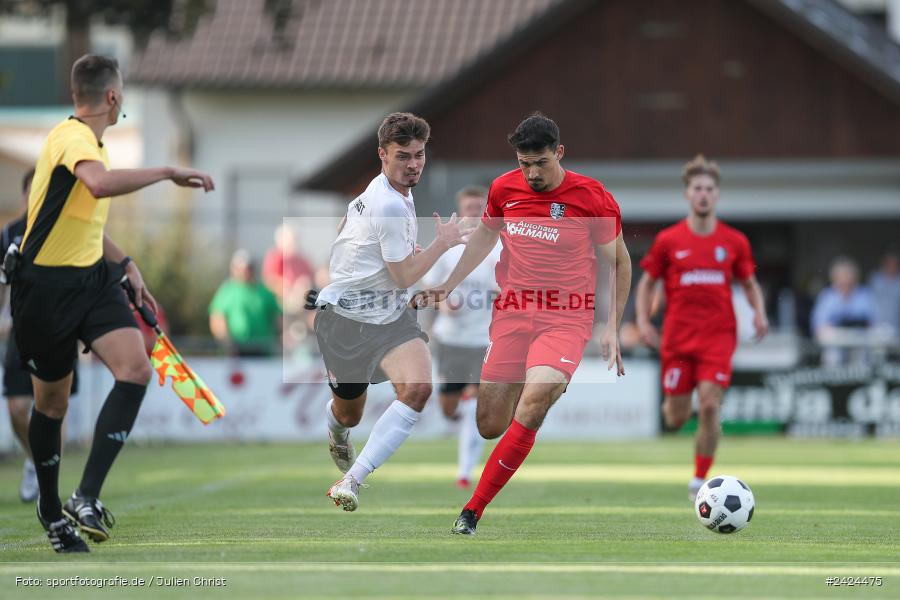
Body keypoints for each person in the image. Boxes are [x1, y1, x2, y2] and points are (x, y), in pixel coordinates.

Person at [9, 54, 214, 553]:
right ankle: (51, 509)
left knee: (136, 369)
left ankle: (86, 496)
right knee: (51, 404)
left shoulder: (88, 142)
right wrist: (167, 171)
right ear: (113, 97)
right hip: (42, 293)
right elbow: (99, 185)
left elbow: (83, 224)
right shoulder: (72, 137)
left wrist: (126, 265)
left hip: (92, 283)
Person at [418, 112, 631, 535]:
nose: (532, 173)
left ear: (560, 153)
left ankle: (472, 510)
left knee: (534, 403)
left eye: (540, 163)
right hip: (512, 314)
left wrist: (612, 328)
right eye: (524, 163)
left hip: (566, 317)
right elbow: (483, 237)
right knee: (489, 424)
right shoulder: (503, 189)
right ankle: (534, 396)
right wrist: (447, 285)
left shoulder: (592, 198)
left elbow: (619, 262)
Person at [313, 112, 472, 511]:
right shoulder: (387, 203)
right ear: (382, 154)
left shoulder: (389, 190)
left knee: (418, 389)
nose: (414, 164)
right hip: (345, 323)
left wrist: (387, 261)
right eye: (404, 156)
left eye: (419, 155)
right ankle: (335, 430)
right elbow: (403, 278)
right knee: (349, 416)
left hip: (388, 318)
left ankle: (352, 480)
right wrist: (443, 243)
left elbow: (354, 239)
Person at [635, 154, 768, 502]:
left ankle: (699, 477)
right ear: (688, 194)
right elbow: (647, 282)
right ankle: (674, 410)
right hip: (677, 340)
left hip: (718, 337)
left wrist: (759, 313)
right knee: (676, 418)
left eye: (710, 188)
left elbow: (750, 283)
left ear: (717, 194)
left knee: (710, 405)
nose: (704, 194)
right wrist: (643, 320)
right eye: (698, 188)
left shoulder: (734, 241)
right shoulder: (669, 240)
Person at [1, 169, 78, 503]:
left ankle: (49, 477)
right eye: (34, 190)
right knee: (18, 408)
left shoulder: (68, 229)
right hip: (21, 330)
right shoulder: (10, 233)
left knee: (53, 409)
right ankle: (35, 462)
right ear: (25, 195)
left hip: (60, 329)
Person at [423, 185, 500, 488]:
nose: (473, 213)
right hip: (451, 338)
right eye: (468, 208)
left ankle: (465, 472)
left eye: (478, 208)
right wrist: (444, 303)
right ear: (460, 209)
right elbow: (431, 290)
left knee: (475, 403)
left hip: (484, 337)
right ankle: (457, 416)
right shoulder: (447, 247)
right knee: (449, 407)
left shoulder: (498, 246)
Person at [209, 249, 282, 357]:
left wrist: (279, 340)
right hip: (236, 351)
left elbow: (278, 319)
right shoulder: (227, 291)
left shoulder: (264, 292)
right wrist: (227, 343)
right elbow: (217, 319)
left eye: (248, 268)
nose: (245, 272)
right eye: (240, 268)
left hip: (262, 351)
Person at [811, 256, 877, 365]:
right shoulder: (827, 297)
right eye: (842, 277)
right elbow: (818, 326)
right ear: (835, 278)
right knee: (832, 355)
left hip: (859, 344)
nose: (845, 280)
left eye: (848, 276)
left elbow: (873, 323)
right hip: (835, 346)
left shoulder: (865, 295)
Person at [262, 223, 314, 308]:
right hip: (280, 302)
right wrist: (284, 287)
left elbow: (309, 276)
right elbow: (269, 281)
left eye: (295, 241)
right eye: (290, 243)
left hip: (299, 301)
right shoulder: (274, 257)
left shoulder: (300, 258)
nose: (293, 246)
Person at [868, 250, 900, 335]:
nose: (891, 266)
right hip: (876, 327)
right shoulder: (875, 280)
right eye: (889, 263)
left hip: (896, 327)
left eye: (894, 263)